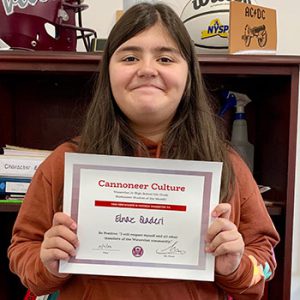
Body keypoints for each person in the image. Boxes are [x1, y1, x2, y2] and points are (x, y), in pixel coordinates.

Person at [8, 2, 279, 300]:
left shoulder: (226, 165)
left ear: (189, 74)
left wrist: (237, 267)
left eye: (165, 58)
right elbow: (21, 250)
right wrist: (47, 264)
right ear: (108, 73)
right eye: (130, 57)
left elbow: (265, 268)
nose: (147, 69)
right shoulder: (63, 162)